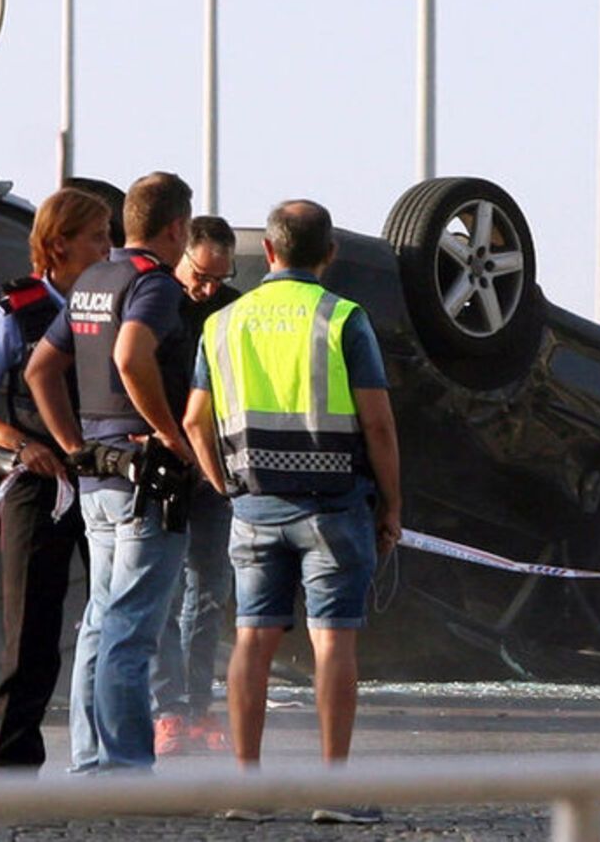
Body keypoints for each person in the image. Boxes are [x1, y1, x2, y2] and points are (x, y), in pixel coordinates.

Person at [184, 200, 401, 824]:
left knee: (252, 639)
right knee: (333, 641)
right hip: (333, 508)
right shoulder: (343, 318)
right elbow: (378, 424)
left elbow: (194, 420)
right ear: (329, 254)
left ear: (269, 251)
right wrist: (393, 503)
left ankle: (246, 789)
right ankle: (332, 791)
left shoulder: (223, 322)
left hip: (253, 506)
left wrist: (223, 483)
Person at [26, 170, 196, 772]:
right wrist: (170, 434)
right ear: (177, 228)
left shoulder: (94, 279)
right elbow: (130, 355)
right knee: (131, 628)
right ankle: (125, 766)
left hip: (97, 476)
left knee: (100, 622)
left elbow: (40, 370)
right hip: (145, 482)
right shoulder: (153, 284)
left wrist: (75, 445)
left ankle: (91, 759)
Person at [0, 187, 114, 771]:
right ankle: (15, 765)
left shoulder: (114, 305)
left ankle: (109, 756)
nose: (108, 248)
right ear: (59, 244)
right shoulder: (12, 313)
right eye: (97, 237)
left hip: (105, 479)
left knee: (115, 619)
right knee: (32, 632)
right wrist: (23, 444)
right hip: (37, 482)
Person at [152, 216, 240, 756]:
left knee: (210, 590)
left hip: (214, 468)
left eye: (218, 279)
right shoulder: (156, 299)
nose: (206, 289)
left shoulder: (232, 309)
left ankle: (199, 702)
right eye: (200, 276)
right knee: (163, 591)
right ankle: (168, 709)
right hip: (164, 462)